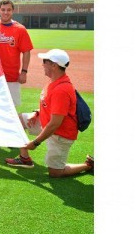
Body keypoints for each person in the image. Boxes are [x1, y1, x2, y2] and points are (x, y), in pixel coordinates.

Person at [6, 49, 94, 177]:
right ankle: (24, 158)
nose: (42, 64)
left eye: (45, 61)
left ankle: (89, 165)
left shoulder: (61, 90)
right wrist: (37, 112)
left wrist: (35, 142)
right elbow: (50, 106)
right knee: (18, 119)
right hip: (47, 122)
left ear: (54, 65)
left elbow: (55, 124)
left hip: (60, 134)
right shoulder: (53, 80)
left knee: (55, 173)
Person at [0, 0, 34, 166]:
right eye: (3, 10)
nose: (5, 12)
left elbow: (26, 52)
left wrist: (24, 71)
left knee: (11, 108)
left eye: (8, 10)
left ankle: (11, 135)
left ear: (13, 11)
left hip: (12, 76)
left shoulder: (20, 29)